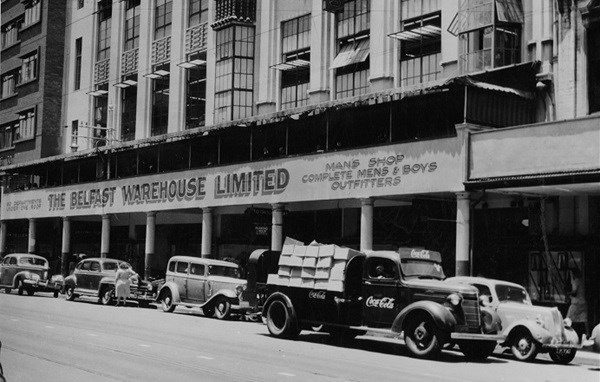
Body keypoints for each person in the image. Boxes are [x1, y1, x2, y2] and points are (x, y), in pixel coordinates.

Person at [566, 268, 589, 339]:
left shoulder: (575, 281)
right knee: (584, 319)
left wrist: (568, 293)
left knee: (568, 318)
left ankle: (566, 333)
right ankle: (588, 333)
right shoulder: (581, 281)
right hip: (583, 302)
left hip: (576, 303)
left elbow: (574, 292)